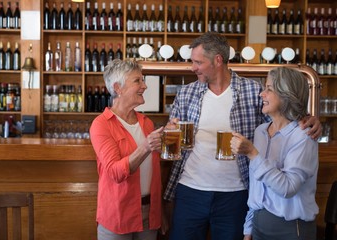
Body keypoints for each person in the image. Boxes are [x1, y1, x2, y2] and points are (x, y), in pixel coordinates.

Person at [163, 32, 321, 240]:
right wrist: (169, 135)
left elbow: (280, 122)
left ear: (217, 60)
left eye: (198, 62)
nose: (193, 68)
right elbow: (172, 147)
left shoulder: (253, 90)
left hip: (236, 193)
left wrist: (309, 119)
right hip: (191, 190)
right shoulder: (186, 93)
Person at [231, 66, 319, 240]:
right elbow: (257, 188)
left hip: (291, 229)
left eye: (269, 89)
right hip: (258, 225)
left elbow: (288, 188)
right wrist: (249, 227)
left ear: (287, 95)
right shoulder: (261, 131)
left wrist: (253, 154)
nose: (261, 94)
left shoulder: (303, 135)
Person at [90, 59, 164, 240]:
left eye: (143, 80)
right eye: (137, 81)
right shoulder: (101, 125)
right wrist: (145, 146)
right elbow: (115, 172)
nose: (145, 86)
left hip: (149, 212)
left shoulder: (146, 122)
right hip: (118, 214)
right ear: (118, 88)